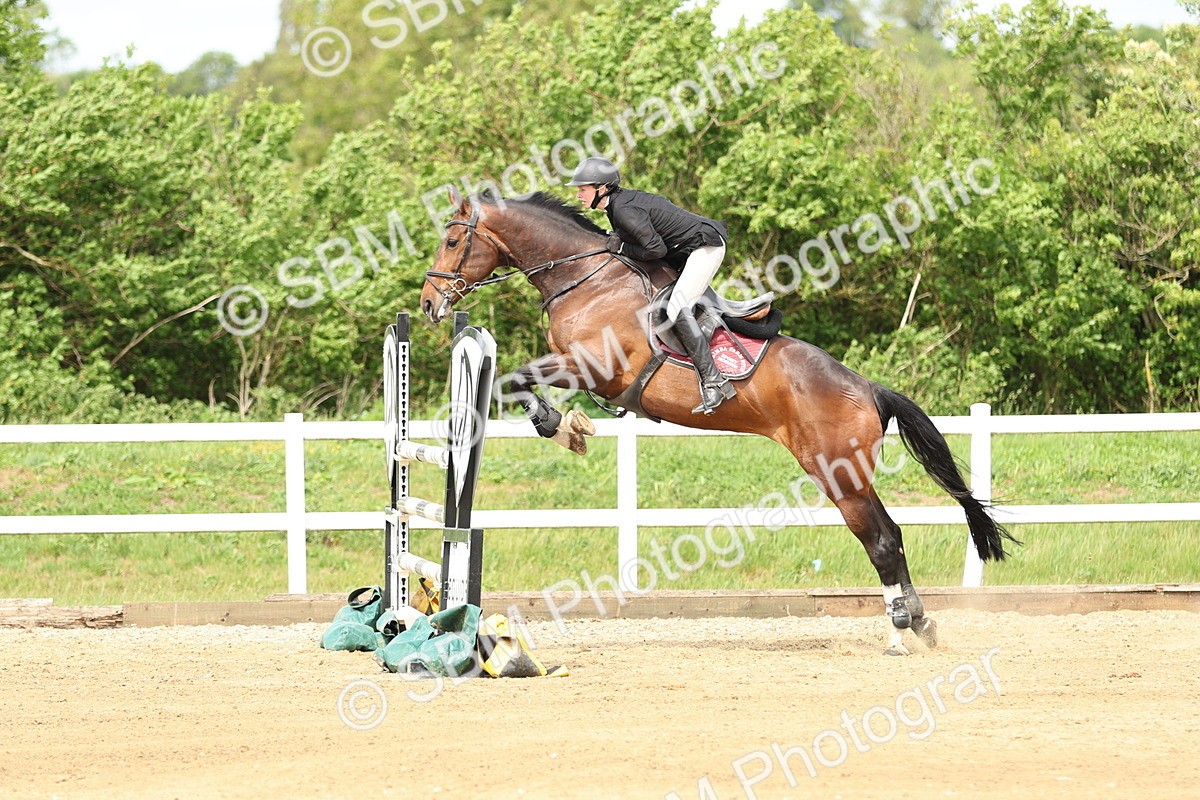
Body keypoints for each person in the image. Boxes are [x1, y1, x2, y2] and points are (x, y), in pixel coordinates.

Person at [567, 156, 735, 415]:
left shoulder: (623, 210)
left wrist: (621, 246)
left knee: (677, 309)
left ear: (601, 188)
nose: (578, 194)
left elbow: (655, 249)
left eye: (583, 188)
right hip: (685, 252)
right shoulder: (617, 207)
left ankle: (715, 381)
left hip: (706, 247)